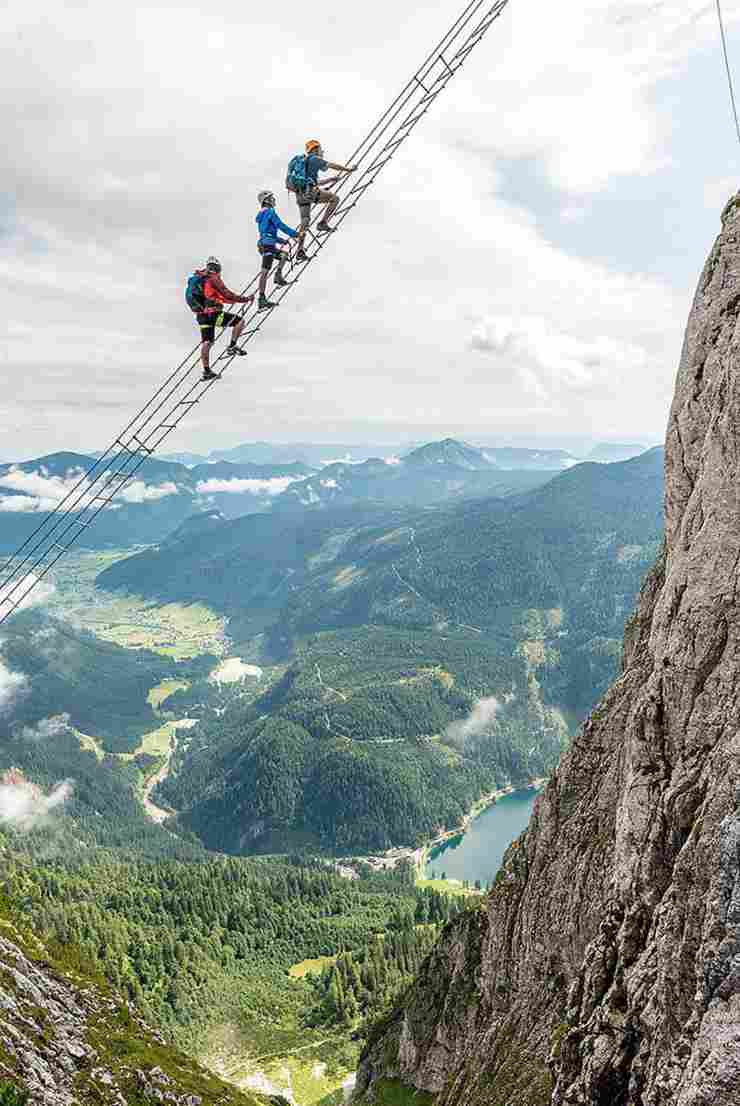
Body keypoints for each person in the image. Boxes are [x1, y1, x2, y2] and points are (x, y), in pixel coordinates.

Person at [289, 139, 357, 260]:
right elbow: (331, 165)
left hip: (300, 195)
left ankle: (299, 250)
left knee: (305, 221)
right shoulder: (314, 158)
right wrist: (348, 169)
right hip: (310, 193)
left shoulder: (304, 162)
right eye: (320, 149)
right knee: (334, 199)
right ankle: (322, 223)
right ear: (315, 149)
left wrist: (330, 180)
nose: (322, 152)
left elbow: (314, 182)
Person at [189, 257, 254, 381]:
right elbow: (227, 294)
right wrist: (245, 299)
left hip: (201, 315)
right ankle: (232, 346)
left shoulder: (199, 279)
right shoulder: (213, 279)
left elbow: (218, 297)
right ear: (217, 269)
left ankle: (206, 371)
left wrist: (230, 301)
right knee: (240, 321)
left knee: (207, 342)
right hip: (213, 313)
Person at [255, 190, 299, 310]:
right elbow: (280, 225)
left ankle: (278, 276)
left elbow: (266, 232)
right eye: (272, 198)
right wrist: (295, 234)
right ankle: (262, 299)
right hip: (268, 244)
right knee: (265, 271)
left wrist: (280, 240)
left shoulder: (262, 214)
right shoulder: (270, 211)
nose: (274, 199)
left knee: (284, 254)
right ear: (267, 200)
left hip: (266, 243)